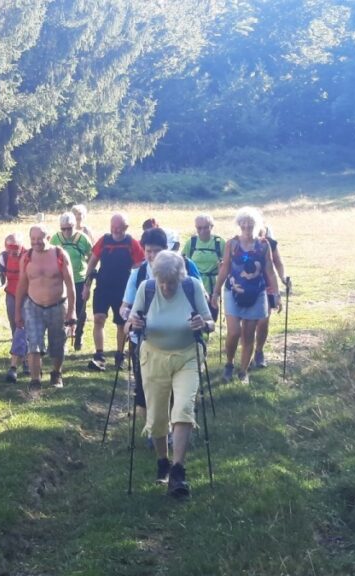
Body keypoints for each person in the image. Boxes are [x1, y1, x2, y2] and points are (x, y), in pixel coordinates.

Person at [127, 251, 214, 498]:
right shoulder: (147, 288)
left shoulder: (191, 286)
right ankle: (162, 461)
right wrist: (134, 324)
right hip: (153, 357)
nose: (166, 287)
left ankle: (178, 471)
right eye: (162, 282)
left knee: (184, 407)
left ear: (180, 278)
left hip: (187, 355)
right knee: (156, 417)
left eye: (171, 283)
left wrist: (203, 325)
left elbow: (210, 322)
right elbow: (130, 323)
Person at [118, 227, 201, 443]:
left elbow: (199, 298)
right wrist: (130, 317)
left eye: (156, 251)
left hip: (182, 346)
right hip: (144, 344)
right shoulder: (138, 275)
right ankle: (154, 431)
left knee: (176, 393)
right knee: (145, 394)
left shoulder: (183, 269)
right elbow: (124, 308)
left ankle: (174, 430)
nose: (151, 255)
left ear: (166, 250)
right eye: (147, 251)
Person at [211, 207, 280, 385]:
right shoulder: (232, 244)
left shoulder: (264, 245)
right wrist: (216, 291)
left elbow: (270, 271)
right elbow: (225, 268)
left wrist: (277, 294)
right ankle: (229, 363)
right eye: (243, 223)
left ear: (256, 225)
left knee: (249, 335)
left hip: (256, 292)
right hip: (233, 291)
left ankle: (243, 371)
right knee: (234, 332)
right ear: (239, 224)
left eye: (250, 223)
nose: (247, 226)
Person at [15, 225, 76, 391]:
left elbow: (70, 286)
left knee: (57, 343)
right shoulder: (26, 257)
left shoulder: (60, 255)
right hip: (33, 306)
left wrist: (72, 311)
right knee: (34, 343)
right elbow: (21, 285)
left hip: (58, 306)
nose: (36, 243)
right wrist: (17, 311)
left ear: (48, 238)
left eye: (39, 239)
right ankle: (35, 380)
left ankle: (56, 373)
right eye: (32, 239)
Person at [81, 212, 143, 371]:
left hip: (123, 289)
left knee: (121, 323)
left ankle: (119, 354)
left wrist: (136, 289)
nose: (116, 230)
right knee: (98, 319)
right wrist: (86, 286)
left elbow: (138, 266)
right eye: (113, 227)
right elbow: (92, 262)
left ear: (126, 227)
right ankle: (99, 355)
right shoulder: (104, 240)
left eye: (119, 227)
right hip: (102, 286)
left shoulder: (132, 243)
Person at [50, 212, 92, 351]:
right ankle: (63, 339)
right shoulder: (55, 238)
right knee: (61, 310)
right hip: (61, 280)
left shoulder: (83, 238)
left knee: (79, 310)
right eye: (64, 228)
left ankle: (78, 334)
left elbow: (91, 257)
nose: (67, 231)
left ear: (75, 226)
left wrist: (88, 279)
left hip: (79, 279)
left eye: (69, 228)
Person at [254, 225, 287, 369]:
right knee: (247, 323)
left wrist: (283, 278)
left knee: (263, 320)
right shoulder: (239, 242)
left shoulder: (269, 243)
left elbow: (278, 263)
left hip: (266, 285)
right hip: (244, 285)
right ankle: (246, 353)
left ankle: (259, 351)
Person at [184, 214, 226, 321]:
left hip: (213, 286)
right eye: (199, 228)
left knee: (210, 317)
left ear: (212, 227)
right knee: (194, 316)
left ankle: (205, 335)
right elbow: (183, 263)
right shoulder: (191, 242)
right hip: (194, 285)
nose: (202, 231)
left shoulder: (220, 243)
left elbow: (227, 266)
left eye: (206, 227)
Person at [0, 233, 28, 382]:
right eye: (9, 250)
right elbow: (1, 279)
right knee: (14, 327)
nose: (12, 253)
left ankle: (22, 363)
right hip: (11, 294)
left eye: (15, 249)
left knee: (22, 327)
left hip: (27, 296)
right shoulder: (3, 258)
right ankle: (23, 357)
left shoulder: (29, 256)